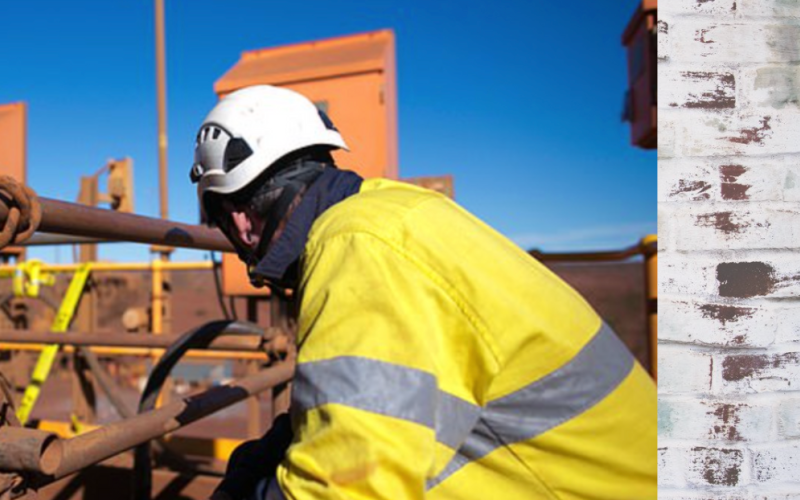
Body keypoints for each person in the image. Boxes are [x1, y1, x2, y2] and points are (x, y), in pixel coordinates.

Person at [190, 85, 656, 500]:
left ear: (238, 220)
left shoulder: (356, 248)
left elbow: (346, 486)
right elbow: (372, 408)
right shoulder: (394, 212)